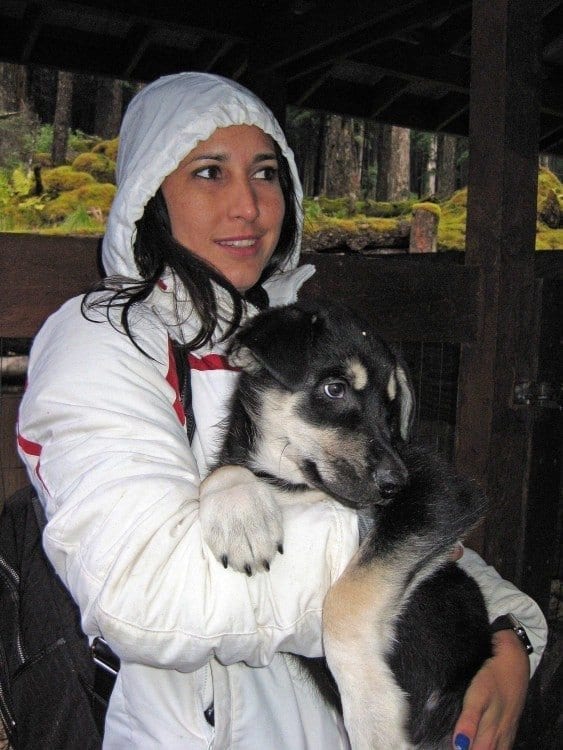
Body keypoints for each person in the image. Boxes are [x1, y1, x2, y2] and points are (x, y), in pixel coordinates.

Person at [17, 72, 547, 750]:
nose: (248, 205)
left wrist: (511, 636)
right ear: (152, 195)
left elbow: (431, 544)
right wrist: (375, 552)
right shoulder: (104, 340)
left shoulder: (309, 338)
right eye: (209, 172)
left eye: (265, 173)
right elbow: (143, 591)